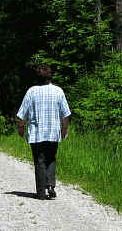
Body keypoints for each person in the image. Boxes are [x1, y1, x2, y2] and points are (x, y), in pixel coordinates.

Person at [17, 65, 70, 200]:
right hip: (53, 132)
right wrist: (64, 129)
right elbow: (65, 114)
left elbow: (23, 112)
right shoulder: (58, 91)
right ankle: (51, 185)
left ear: (37, 77)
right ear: (50, 76)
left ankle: (41, 192)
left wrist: (21, 127)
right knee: (51, 158)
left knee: (40, 160)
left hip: (37, 133)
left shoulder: (32, 91)